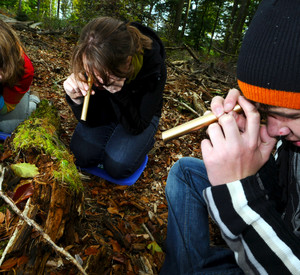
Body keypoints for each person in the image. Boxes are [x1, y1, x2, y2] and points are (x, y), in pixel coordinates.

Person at [161, 0, 300, 274]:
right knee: (185, 172)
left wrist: (241, 194)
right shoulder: (287, 139)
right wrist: (257, 165)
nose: (273, 130)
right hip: (279, 230)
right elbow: (284, 199)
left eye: (292, 116)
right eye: (265, 112)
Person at [64, 17, 166, 179]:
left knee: (118, 166)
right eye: (89, 71)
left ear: (128, 61)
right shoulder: (94, 55)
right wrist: (76, 99)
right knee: (80, 156)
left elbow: (136, 125)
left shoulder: (153, 65)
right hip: (108, 109)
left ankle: (144, 142)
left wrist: (118, 92)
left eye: (100, 75)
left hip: (138, 116)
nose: (93, 77)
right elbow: (89, 120)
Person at [0, 20, 39, 134]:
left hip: (11, 90)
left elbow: (7, 107)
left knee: (11, 128)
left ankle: (33, 100)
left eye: (2, 65)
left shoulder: (25, 68)